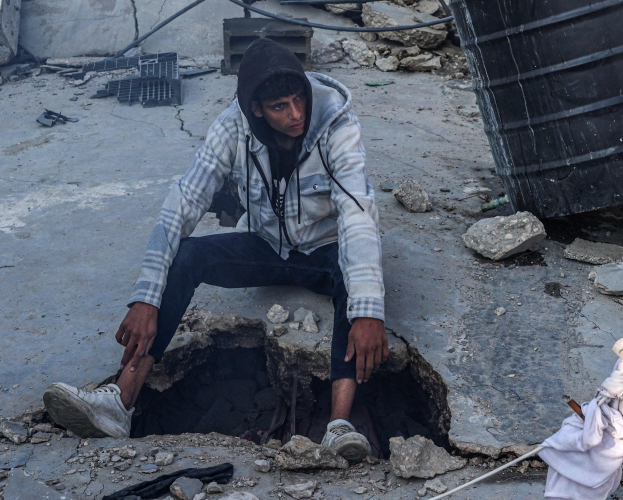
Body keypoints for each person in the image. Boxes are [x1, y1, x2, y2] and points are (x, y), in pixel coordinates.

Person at [43, 38, 388, 463]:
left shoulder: (338, 124)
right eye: (280, 106)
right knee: (188, 256)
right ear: (256, 109)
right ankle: (121, 401)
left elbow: (357, 216)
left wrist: (369, 311)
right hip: (264, 246)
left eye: (299, 99)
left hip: (323, 252)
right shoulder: (232, 126)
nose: (296, 114)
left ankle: (339, 425)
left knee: (354, 282)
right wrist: (146, 297)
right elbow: (182, 203)